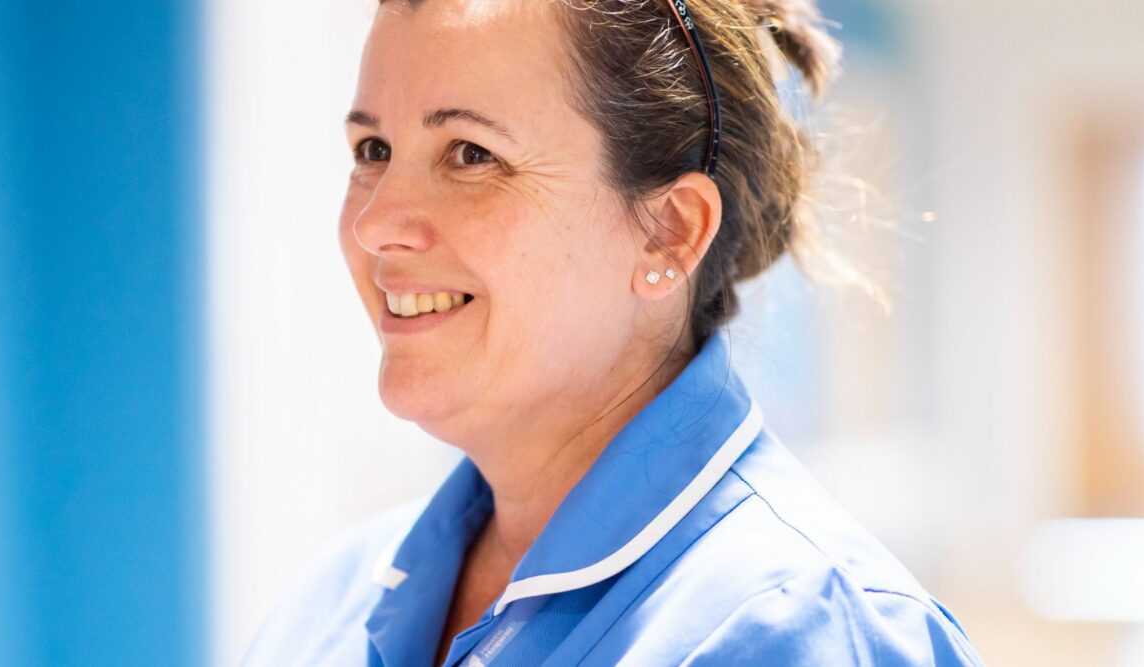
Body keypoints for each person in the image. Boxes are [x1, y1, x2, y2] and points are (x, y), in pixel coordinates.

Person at [243, 0, 985, 665]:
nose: (375, 226)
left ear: (669, 232)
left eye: (471, 155)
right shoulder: (333, 603)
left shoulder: (806, 633)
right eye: (373, 151)